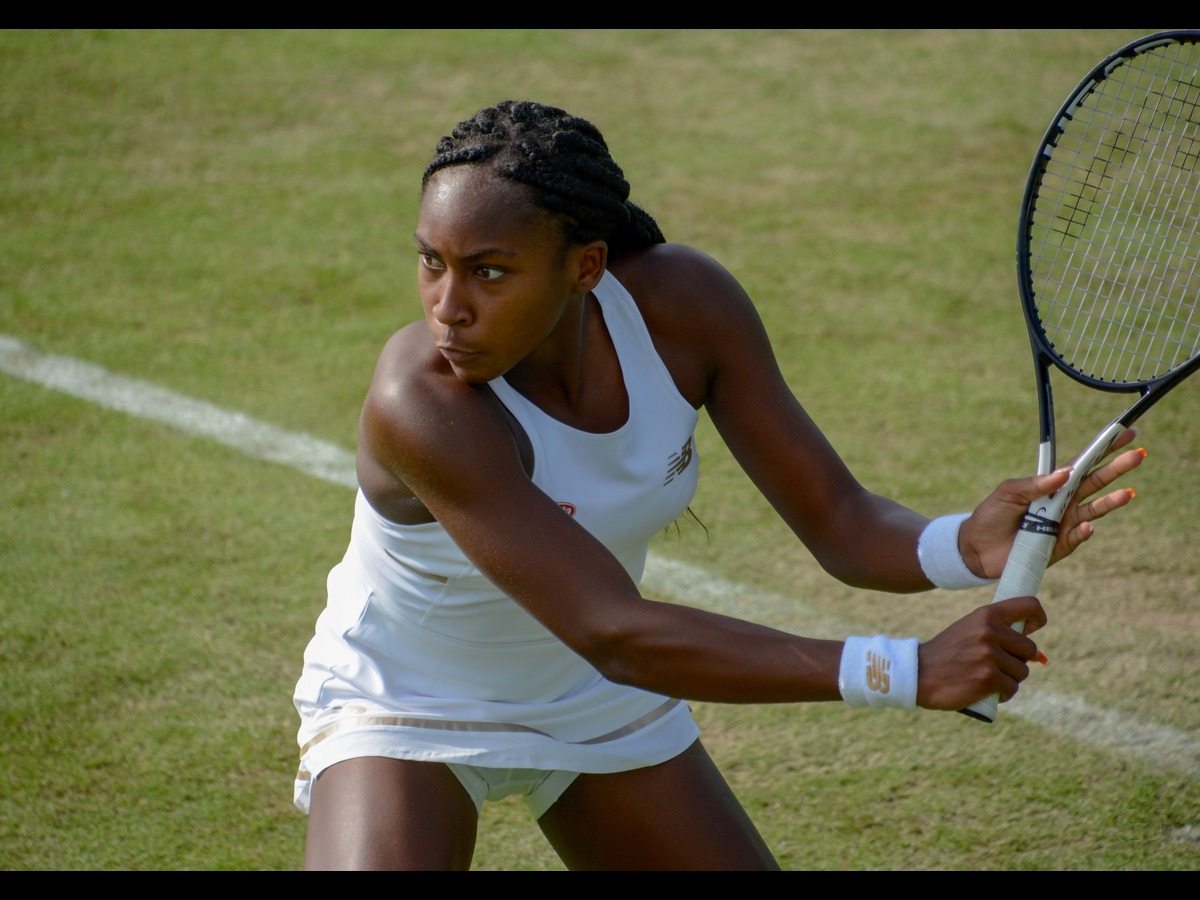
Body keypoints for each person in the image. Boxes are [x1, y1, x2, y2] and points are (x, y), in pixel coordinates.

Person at [292, 99, 1144, 871]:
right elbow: (612, 629)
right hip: (405, 702)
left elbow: (839, 519)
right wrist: (902, 668)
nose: (447, 306)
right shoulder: (422, 397)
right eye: (430, 263)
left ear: (585, 266)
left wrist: (960, 543)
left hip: (594, 700)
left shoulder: (686, 308)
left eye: (488, 271)